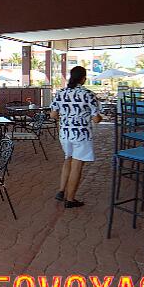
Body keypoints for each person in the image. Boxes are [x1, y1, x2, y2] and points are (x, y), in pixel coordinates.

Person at [50, 66, 102, 208]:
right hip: (81, 135)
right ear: (83, 78)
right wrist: (99, 116)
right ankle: (70, 200)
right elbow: (96, 119)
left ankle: (61, 191)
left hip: (65, 134)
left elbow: (53, 115)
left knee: (68, 159)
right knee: (77, 166)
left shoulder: (61, 93)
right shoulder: (88, 94)